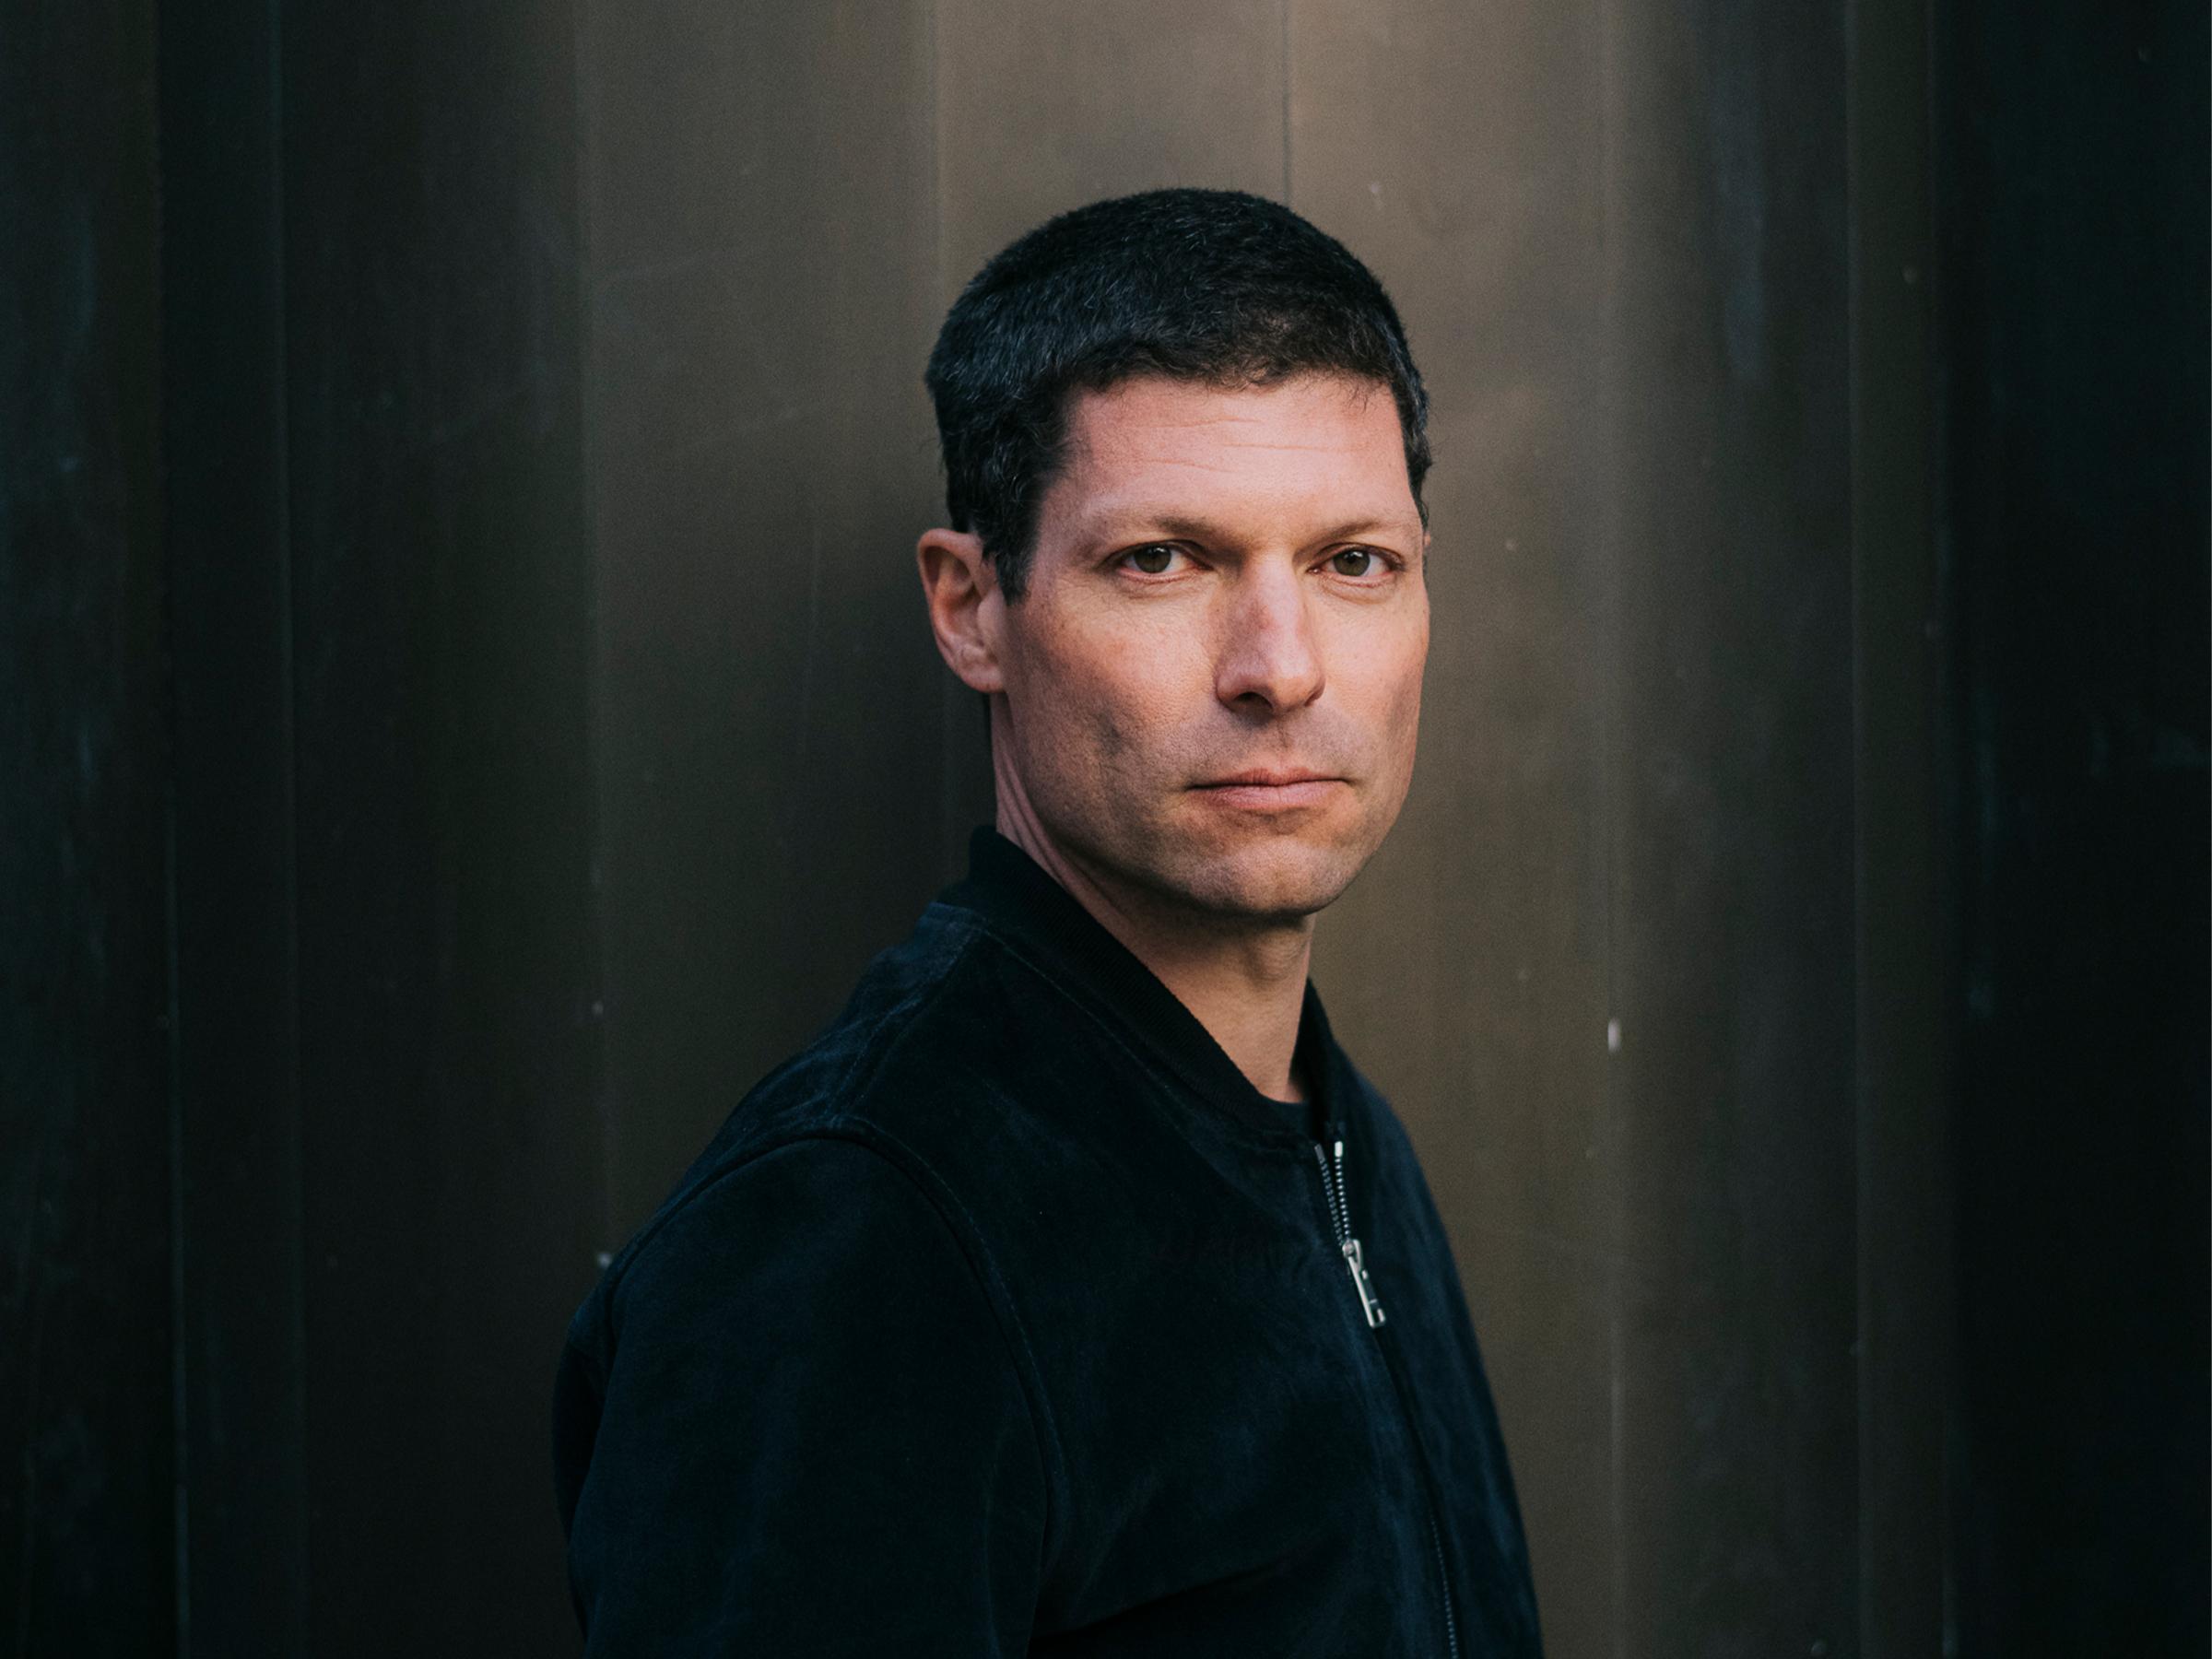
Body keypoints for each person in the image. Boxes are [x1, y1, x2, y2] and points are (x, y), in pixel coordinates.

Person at [552, 187, 1543, 1656]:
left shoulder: (1335, 1140)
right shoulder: (857, 1239)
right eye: (1164, 560)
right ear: (972, 609)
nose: (1281, 667)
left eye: (1354, 563)